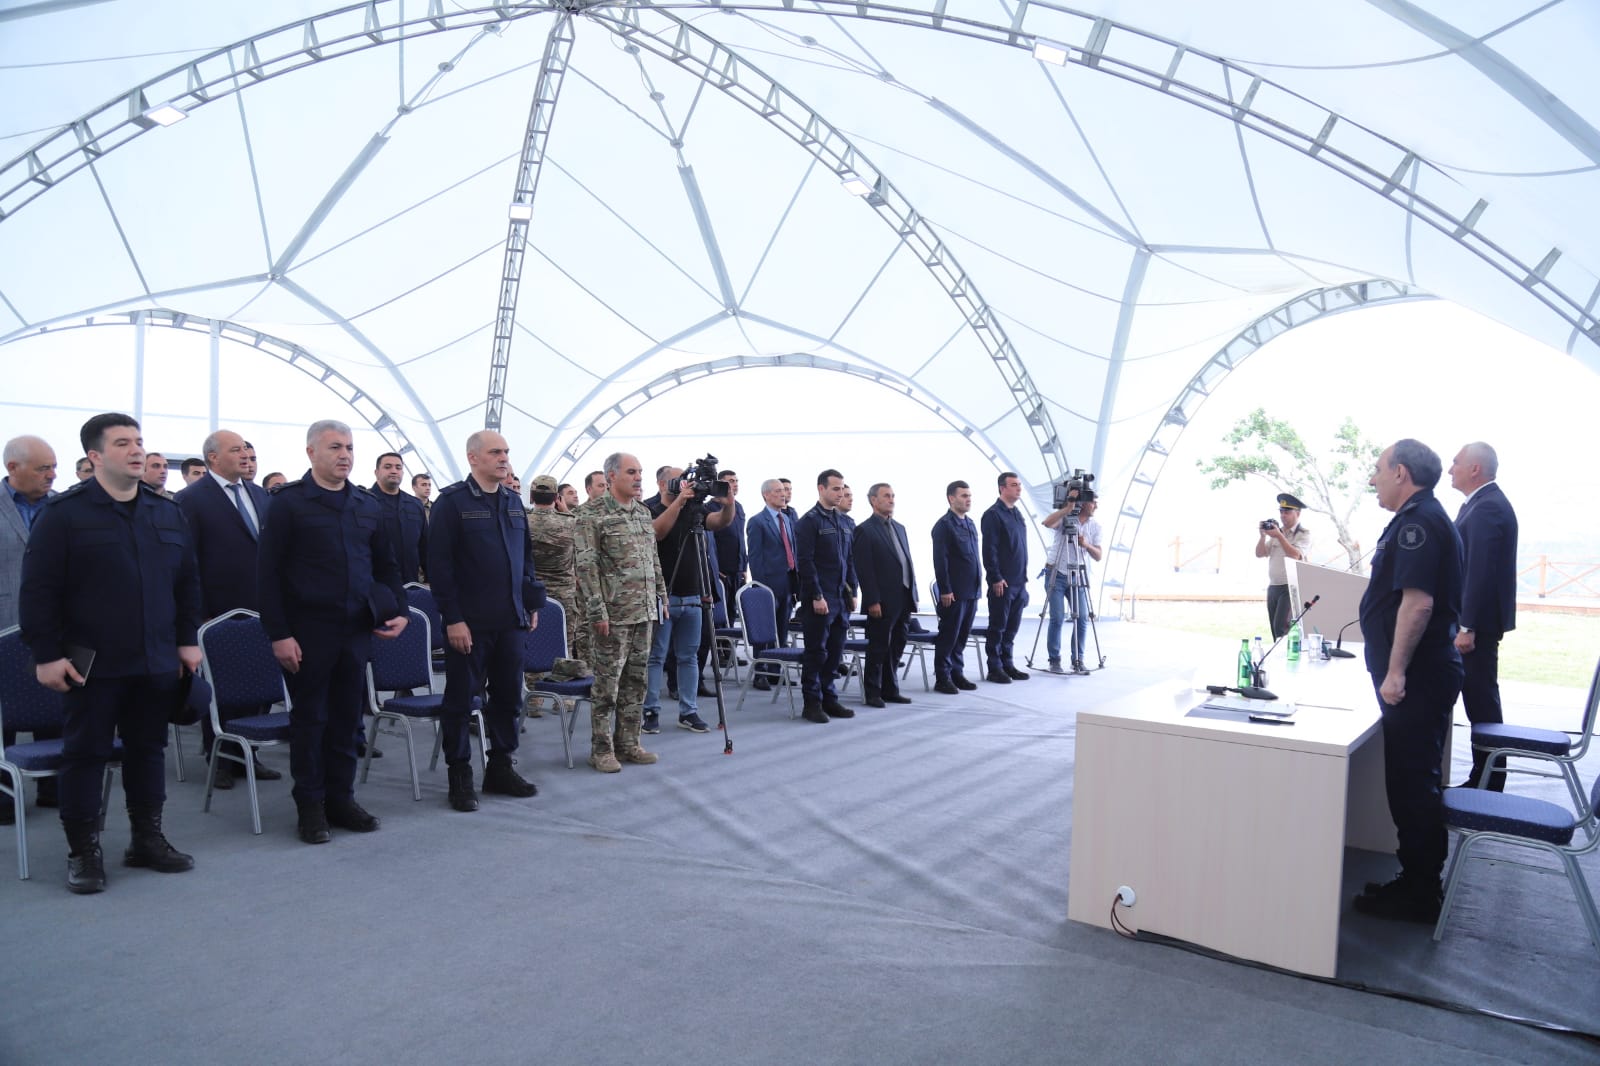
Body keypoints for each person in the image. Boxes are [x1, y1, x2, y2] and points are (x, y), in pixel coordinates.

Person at [19, 413, 202, 893]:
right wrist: (46, 655)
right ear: (95, 456)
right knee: (86, 754)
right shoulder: (65, 514)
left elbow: (187, 582)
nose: (137, 450)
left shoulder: (166, 512)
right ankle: (83, 851)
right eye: (123, 443)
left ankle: (147, 839)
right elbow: (38, 591)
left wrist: (187, 640)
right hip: (90, 662)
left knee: (149, 750)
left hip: (155, 657)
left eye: (139, 441)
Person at [257, 420, 408, 844]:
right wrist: (279, 634)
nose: (345, 455)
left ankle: (341, 799)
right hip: (307, 631)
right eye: (335, 447)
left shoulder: (365, 504)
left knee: (346, 719)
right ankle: (310, 805)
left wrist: (399, 609)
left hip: (355, 629)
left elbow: (386, 565)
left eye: (349, 448)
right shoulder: (288, 504)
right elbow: (267, 574)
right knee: (310, 721)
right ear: (311, 452)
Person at [1353, 439, 1464, 923]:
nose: (1373, 478)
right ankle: (1417, 879)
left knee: (1412, 784)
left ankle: (1420, 893)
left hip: (1417, 676)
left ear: (1401, 473)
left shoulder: (1418, 523)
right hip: (1421, 673)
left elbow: (1418, 604)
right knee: (1410, 780)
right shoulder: (1420, 517)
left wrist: (1395, 672)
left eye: (1379, 469)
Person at [426, 430, 545, 811]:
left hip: (510, 619)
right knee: (461, 701)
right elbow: (439, 567)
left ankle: (500, 767)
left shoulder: (512, 502)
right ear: (473, 457)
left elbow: (525, 559)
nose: (504, 458)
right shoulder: (452, 503)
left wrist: (530, 603)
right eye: (495, 452)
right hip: (470, 623)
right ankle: (459, 773)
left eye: (506, 451)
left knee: (508, 698)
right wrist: (453, 618)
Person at [174, 428, 278, 790]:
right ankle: (218, 755)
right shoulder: (191, 499)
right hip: (217, 612)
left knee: (259, 681)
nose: (244, 455)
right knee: (220, 687)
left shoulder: (259, 494)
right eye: (235, 450)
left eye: (246, 449)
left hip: (261, 608)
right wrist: (199, 612)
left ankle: (248, 753)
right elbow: (187, 561)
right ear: (213, 457)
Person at [574, 452, 665, 772]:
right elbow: (586, 566)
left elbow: (653, 558)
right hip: (612, 614)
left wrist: (661, 596)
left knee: (636, 683)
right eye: (631, 472)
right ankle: (601, 750)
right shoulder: (591, 513)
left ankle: (628, 743)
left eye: (640, 472)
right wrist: (597, 610)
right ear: (611, 476)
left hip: (643, 611)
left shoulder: (642, 512)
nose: (638, 477)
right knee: (607, 687)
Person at [641, 465, 734, 734]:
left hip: (693, 593)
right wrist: (679, 502)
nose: (685, 484)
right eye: (678, 480)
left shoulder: (694, 510)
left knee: (689, 657)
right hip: (663, 595)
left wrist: (728, 504)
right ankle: (650, 711)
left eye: (687, 479)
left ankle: (688, 711)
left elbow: (719, 523)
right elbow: (657, 532)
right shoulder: (649, 508)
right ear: (662, 484)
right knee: (656, 657)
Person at [1448, 442, 1518, 791]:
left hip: (1477, 626)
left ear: (1475, 468)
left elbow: (1479, 571)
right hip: (1475, 622)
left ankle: (1490, 782)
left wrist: (1467, 625)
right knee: (1479, 701)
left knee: (1482, 703)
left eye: (1456, 462)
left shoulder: (1487, 507)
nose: (1450, 469)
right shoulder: (1478, 504)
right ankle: (1484, 777)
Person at [1, 434, 61, 822]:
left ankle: (54, 786)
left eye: (54, 467)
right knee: (1, 715)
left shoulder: (63, 507)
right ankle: (4, 795)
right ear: (13, 468)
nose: (51, 475)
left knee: (55, 703)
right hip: (3, 624)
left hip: (57, 626)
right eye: (43, 469)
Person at [794, 469, 856, 724]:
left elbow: (850, 560)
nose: (840, 493)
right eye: (835, 489)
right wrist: (816, 595)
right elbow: (805, 563)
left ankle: (829, 698)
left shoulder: (843, 521)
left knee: (835, 651)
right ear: (821, 489)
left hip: (840, 597)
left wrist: (853, 590)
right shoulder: (809, 522)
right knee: (816, 652)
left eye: (842, 488)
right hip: (820, 597)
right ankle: (812, 703)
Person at [852, 483, 916, 708]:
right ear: (873, 500)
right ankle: (872, 691)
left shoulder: (900, 527)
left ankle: (890, 689)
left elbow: (906, 562)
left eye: (893, 496)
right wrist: (872, 600)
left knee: (897, 644)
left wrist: (913, 593)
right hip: (882, 600)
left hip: (904, 596)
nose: (891, 500)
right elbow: (865, 569)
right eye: (886, 496)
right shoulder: (865, 530)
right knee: (878, 647)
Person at [527, 474, 586, 667]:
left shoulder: (522, 522)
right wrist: (566, 511)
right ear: (556, 498)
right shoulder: (571, 522)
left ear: (531, 497)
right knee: (564, 647)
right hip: (564, 595)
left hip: (530, 594)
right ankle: (561, 684)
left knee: (531, 646)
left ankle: (532, 685)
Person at [745, 477, 798, 691]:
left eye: (783, 490)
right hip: (767, 585)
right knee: (764, 632)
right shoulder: (757, 522)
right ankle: (761, 673)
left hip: (788, 583)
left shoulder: (788, 520)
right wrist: (762, 588)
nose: (783, 494)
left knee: (782, 630)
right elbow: (755, 558)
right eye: (777, 491)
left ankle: (776, 672)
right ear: (766, 495)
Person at [1041, 490, 1103, 675]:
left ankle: (1078, 660)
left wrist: (1086, 545)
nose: (1096, 506)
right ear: (1083, 503)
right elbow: (1047, 523)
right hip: (1056, 572)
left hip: (1077, 575)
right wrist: (1067, 508)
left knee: (1082, 617)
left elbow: (1098, 555)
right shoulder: (1065, 517)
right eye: (1093, 502)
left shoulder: (1095, 526)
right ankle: (1054, 660)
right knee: (1057, 617)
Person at [931, 480, 981, 695]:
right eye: (963, 496)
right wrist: (945, 589)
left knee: (962, 636)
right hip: (954, 592)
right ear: (951, 498)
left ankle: (956, 673)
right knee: (949, 636)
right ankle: (942, 677)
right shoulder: (944, 526)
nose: (968, 499)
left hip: (971, 590)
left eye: (969, 495)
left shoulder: (969, 523)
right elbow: (940, 561)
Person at [981, 471, 1030, 683]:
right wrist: (995, 577)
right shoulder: (993, 515)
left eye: (1019, 484)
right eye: (1014, 485)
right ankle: (994, 668)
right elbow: (989, 549)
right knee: (998, 627)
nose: (1019, 488)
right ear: (1002, 488)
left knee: (1011, 628)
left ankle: (1007, 664)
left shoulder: (1017, 514)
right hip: (1002, 582)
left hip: (1019, 582)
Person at [1255, 492, 1312, 639]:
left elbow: (1295, 555)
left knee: (1281, 628)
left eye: (1287, 512)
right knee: (1274, 629)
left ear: (1297, 513)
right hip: (1273, 586)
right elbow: (1260, 553)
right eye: (1281, 511)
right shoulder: (1277, 533)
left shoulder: (1303, 534)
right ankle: (1277, 653)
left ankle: (1287, 654)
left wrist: (1279, 536)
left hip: (1290, 587)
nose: (1282, 515)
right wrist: (1262, 536)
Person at [370, 452, 427, 583]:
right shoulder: (365, 503)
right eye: (388, 467)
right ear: (376, 472)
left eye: (398, 467)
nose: (394, 471)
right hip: (376, 584)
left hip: (411, 582)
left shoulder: (414, 505)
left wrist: (430, 578)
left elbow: (425, 545)